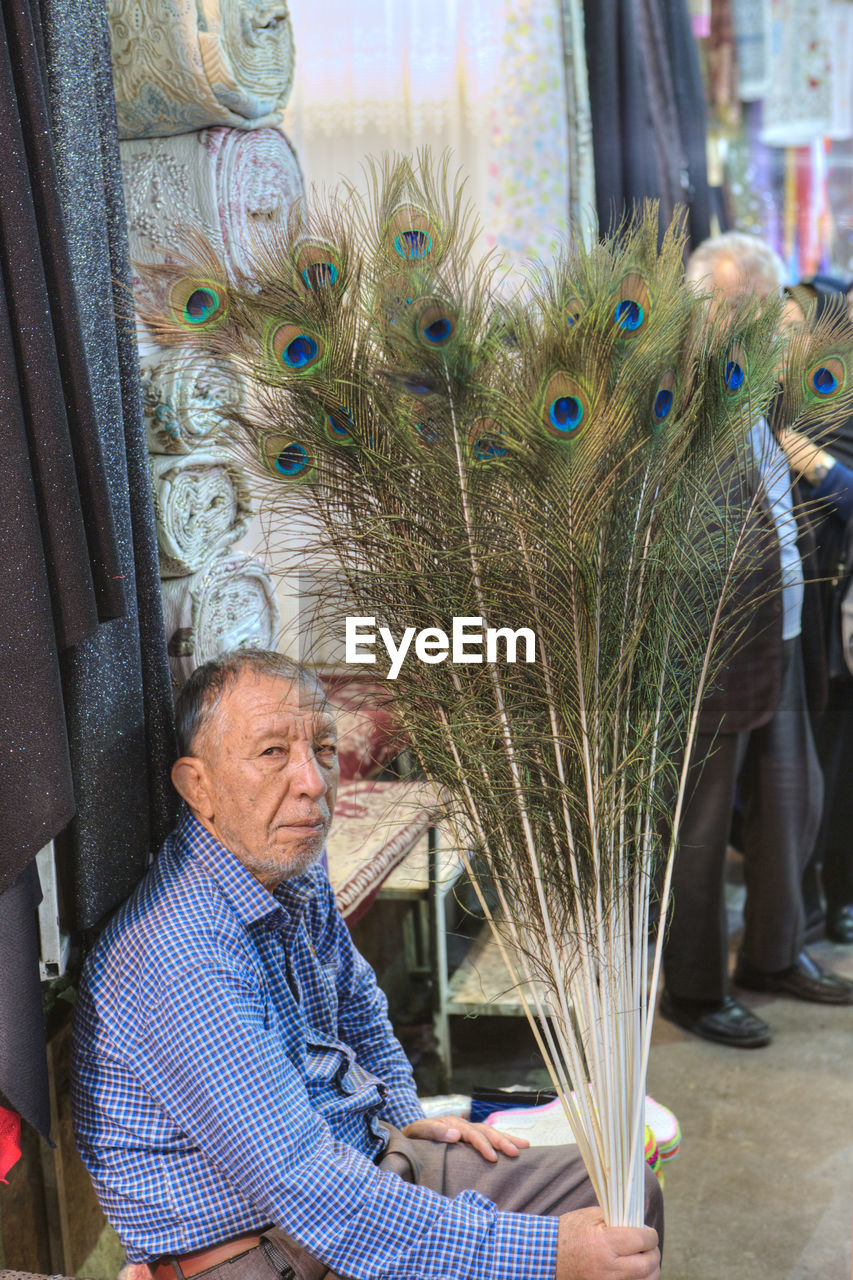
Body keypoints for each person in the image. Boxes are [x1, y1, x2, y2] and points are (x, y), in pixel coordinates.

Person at [71, 650, 662, 1280]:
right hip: (262, 1252)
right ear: (199, 786)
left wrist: (407, 1115)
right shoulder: (182, 956)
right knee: (579, 1249)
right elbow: (315, 1193)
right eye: (272, 753)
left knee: (625, 1201)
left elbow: (355, 999)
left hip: (354, 1165)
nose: (313, 782)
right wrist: (550, 1254)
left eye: (323, 748)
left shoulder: (282, 863)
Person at [659, 232, 853, 1051]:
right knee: (700, 833)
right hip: (710, 650)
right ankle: (695, 991)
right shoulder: (674, 399)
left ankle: (773, 956)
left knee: (789, 804)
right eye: (761, 311)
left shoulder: (760, 393)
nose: (780, 326)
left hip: (781, 637)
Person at [781, 277, 853, 944]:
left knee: (831, 764)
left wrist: (817, 466)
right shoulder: (773, 401)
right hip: (785, 611)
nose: (786, 337)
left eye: (794, 323)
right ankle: (804, 901)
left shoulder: (839, 403)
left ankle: (835, 897)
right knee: (796, 766)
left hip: (833, 614)